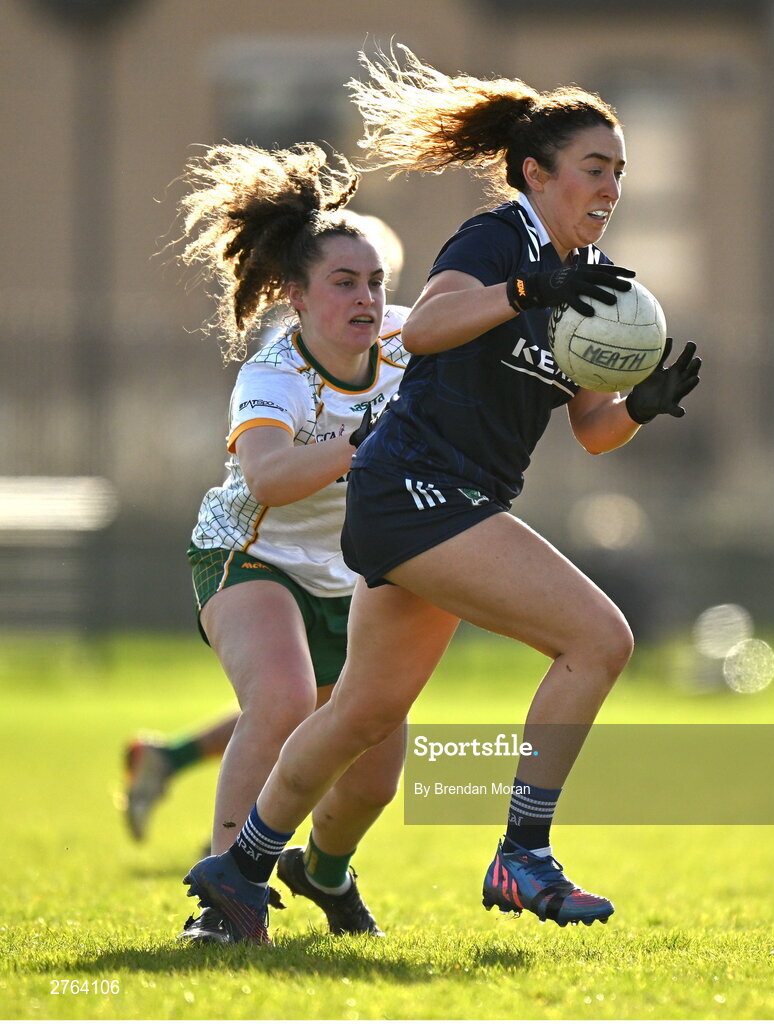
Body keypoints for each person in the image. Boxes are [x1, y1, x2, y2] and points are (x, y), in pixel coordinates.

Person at [183, 47, 701, 941]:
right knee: (598, 639)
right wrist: (530, 284)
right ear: (537, 174)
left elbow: (590, 427)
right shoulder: (502, 239)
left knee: (363, 713)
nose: (611, 186)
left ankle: (241, 869)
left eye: (620, 171)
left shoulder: (587, 270)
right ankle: (523, 854)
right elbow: (424, 328)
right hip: (420, 487)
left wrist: (641, 407)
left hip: (439, 497)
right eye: (595, 169)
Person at [170, 140, 411, 943]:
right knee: (277, 703)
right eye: (343, 282)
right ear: (296, 298)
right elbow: (269, 478)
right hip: (250, 557)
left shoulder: (408, 346)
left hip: (358, 577)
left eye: (375, 281)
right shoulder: (273, 374)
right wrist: (364, 447)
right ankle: (227, 901)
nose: (366, 297)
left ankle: (323, 873)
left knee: (378, 771)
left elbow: (495, 332)